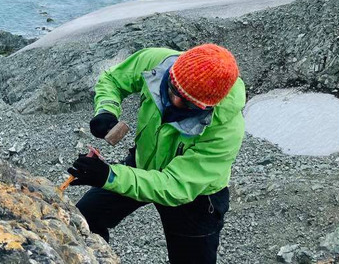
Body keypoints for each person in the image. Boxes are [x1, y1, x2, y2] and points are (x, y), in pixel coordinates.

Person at [67, 44, 245, 264]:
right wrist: (106, 110)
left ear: (209, 105)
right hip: (142, 163)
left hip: (195, 198)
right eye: (172, 88)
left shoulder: (225, 130)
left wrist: (109, 176)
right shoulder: (156, 62)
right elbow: (113, 80)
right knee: (84, 218)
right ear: (172, 72)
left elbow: (174, 185)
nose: (175, 102)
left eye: (189, 103)